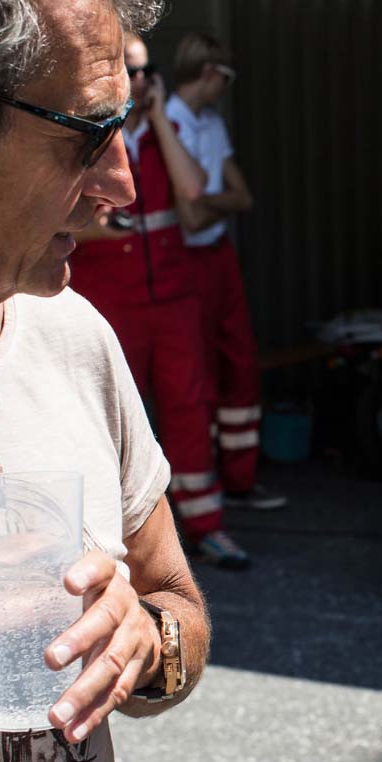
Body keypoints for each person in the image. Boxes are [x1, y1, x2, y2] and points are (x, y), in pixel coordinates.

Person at [0, 0, 210, 762]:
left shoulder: (74, 337)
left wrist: (143, 643)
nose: (124, 184)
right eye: (85, 136)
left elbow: (176, 605)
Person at [70, 32, 253, 569]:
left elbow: (194, 191)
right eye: (131, 70)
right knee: (106, 421)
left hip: (173, 298)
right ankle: (104, 543)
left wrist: (157, 126)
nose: (143, 81)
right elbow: (63, 224)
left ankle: (206, 526)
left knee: (189, 409)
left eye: (149, 72)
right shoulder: (86, 140)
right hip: (110, 302)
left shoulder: (162, 134)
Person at [165, 33, 287, 511]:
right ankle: (203, 482)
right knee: (196, 376)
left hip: (218, 256)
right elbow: (191, 217)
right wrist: (218, 205)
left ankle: (240, 477)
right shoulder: (166, 124)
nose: (225, 86)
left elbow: (243, 197)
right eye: (226, 76)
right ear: (211, 72)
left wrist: (208, 204)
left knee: (239, 362)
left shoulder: (212, 123)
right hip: (183, 262)